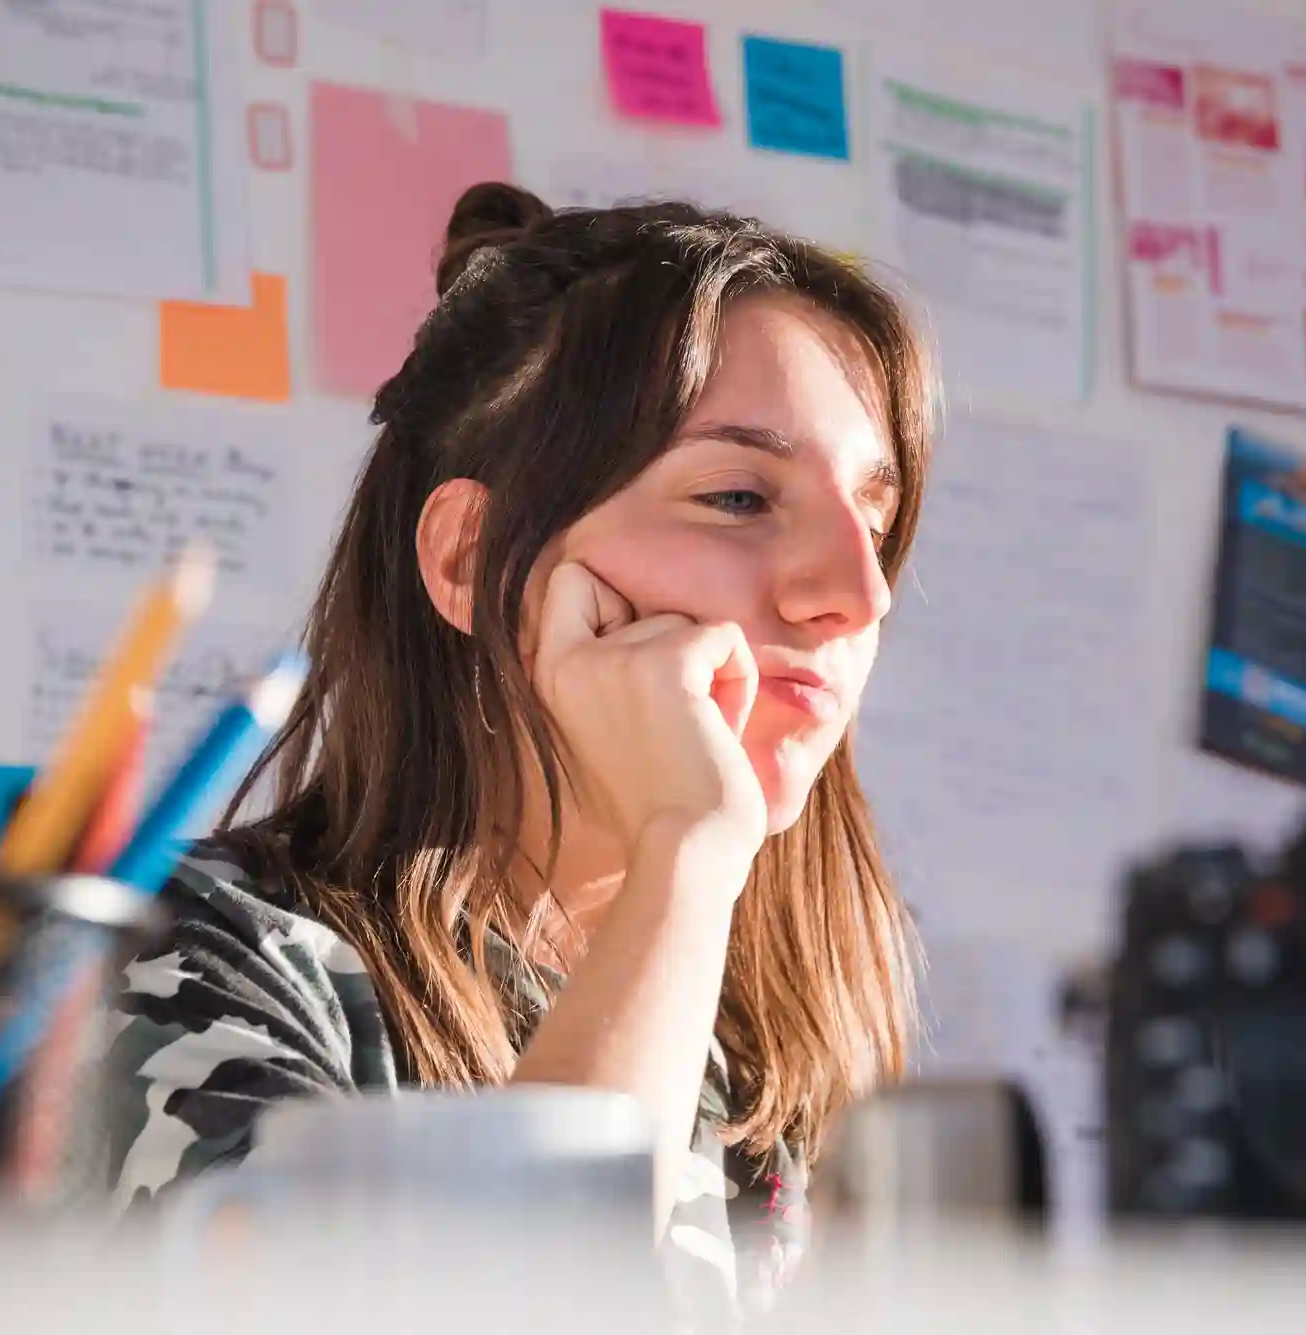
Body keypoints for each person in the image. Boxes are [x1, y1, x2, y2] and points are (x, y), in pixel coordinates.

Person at [104, 182, 936, 1315]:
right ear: (467, 558)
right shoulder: (187, 961)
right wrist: (686, 847)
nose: (855, 592)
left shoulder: (773, 1057)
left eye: (875, 527)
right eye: (739, 495)